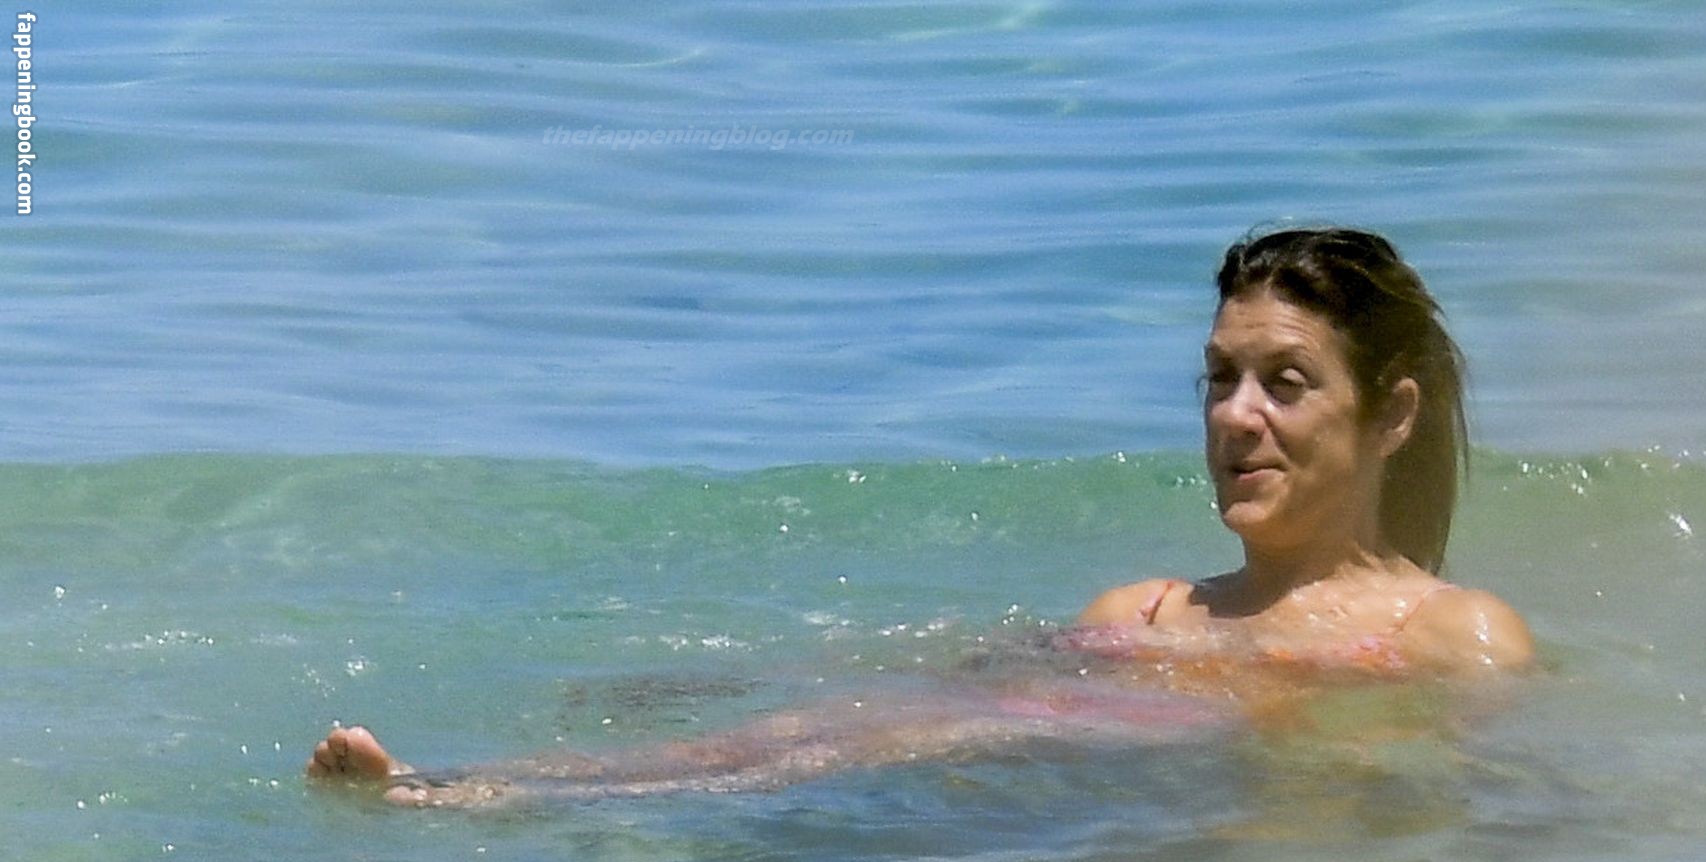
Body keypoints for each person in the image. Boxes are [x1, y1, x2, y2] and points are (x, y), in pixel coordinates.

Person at [309, 226, 1530, 807]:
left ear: (1392, 415)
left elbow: (1482, 809)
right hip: (1093, 804)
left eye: (1285, 382)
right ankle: (484, 786)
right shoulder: (1148, 610)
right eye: (1219, 379)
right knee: (845, 728)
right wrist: (712, 683)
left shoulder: (1449, 632)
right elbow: (942, 686)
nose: (1236, 416)